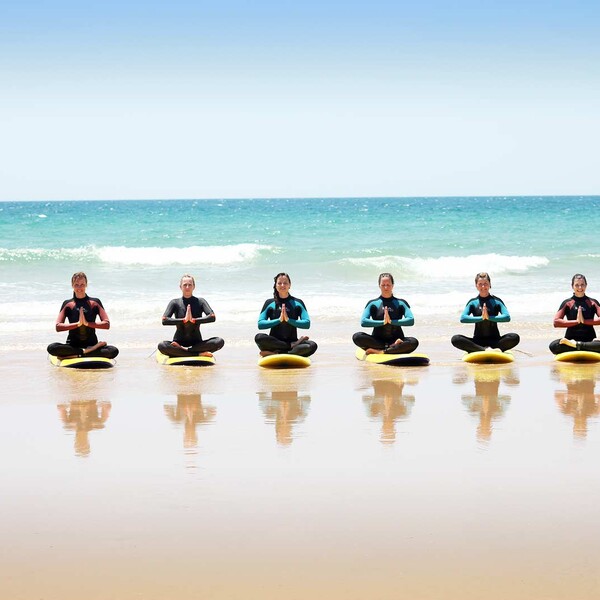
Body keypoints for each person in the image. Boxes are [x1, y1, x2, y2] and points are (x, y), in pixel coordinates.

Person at [47, 272, 119, 359]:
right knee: (52, 348)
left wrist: (87, 323)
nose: (79, 287)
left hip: (91, 344)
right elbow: (58, 327)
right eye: (76, 285)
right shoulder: (68, 304)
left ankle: (79, 354)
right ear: (72, 285)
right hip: (73, 346)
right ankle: (85, 352)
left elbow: (106, 324)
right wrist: (78, 324)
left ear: (86, 285)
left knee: (113, 350)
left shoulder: (95, 302)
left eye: (82, 284)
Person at [451, 272, 519, 353]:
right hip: (477, 342)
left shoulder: (497, 301)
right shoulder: (473, 302)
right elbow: (463, 318)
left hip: (496, 341)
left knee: (515, 337)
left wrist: (489, 317)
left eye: (486, 283)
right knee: (455, 339)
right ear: (476, 286)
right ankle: (485, 350)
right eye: (480, 284)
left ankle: (478, 350)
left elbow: (507, 317)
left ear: (490, 284)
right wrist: (482, 318)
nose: (483, 286)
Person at [158, 274, 224, 357]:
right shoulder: (175, 303)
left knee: (219, 341)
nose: (187, 287)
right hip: (178, 342)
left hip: (197, 344)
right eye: (185, 285)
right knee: (162, 345)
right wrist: (184, 320)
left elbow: (212, 317)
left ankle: (184, 351)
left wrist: (194, 320)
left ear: (194, 287)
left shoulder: (200, 301)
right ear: (180, 287)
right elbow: (165, 320)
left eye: (190, 285)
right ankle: (198, 354)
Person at [352, 272, 419, 355]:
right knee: (357, 336)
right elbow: (363, 322)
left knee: (414, 342)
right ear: (379, 285)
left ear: (393, 285)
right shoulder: (373, 303)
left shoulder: (401, 303)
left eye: (388, 284)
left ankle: (381, 351)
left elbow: (411, 320)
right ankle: (393, 348)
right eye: (383, 285)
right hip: (377, 340)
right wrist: (383, 322)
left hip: (397, 338)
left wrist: (391, 321)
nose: (386, 287)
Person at [255, 272, 317, 357]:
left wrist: (289, 320)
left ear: (289, 285)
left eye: (285, 283)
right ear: (275, 285)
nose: (282, 285)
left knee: (312, 345)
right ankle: (289, 347)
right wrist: (279, 320)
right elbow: (260, 324)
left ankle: (277, 353)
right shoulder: (269, 303)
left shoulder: (297, 302)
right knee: (259, 337)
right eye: (279, 283)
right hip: (274, 343)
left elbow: (307, 324)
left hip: (292, 340)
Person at [549, 273, 600, 354]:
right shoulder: (567, 303)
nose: (580, 287)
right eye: (577, 285)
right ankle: (582, 346)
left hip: (589, 340)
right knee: (553, 345)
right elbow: (556, 322)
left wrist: (584, 321)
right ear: (572, 286)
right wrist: (577, 321)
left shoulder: (593, 302)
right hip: (569, 340)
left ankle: (577, 345)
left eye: (582, 284)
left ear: (586, 285)